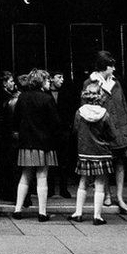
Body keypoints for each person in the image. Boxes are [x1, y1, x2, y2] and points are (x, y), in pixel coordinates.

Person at [84, 51, 127, 213]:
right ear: (105, 67)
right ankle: (107, 194)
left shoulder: (116, 83)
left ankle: (119, 196)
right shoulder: (90, 83)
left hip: (119, 126)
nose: (114, 69)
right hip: (102, 128)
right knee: (104, 163)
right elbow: (85, 107)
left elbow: (123, 104)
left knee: (120, 162)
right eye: (112, 66)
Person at [10, 69, 60, 222]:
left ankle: (17, 209)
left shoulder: (23, 97)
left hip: (26, 142)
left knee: (25, 176)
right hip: (44, 143)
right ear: (41, 82)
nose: (49, 83)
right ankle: (42, 213)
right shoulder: (47, 99)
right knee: (42, 176)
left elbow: (16, 120)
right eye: (47, 81)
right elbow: (55, 122)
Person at [69, 83, 115, 225]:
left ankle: (78, 212)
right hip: (102, 153)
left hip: (84, 151)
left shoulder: (79, 112)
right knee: (100, 183)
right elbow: (112, 134)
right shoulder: (104, 114)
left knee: (83, 182)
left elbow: (75, 131)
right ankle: (97, 216)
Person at [47, 69, 75, 198]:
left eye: (63, 77)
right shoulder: (46, 93)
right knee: (50, 162)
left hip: (63, 131)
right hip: (49, 132)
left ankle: (64, 188)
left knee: (64, 161)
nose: (62, 80)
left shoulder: (66, 93)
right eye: (59, 77)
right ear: (52, 78)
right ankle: (51, 188)